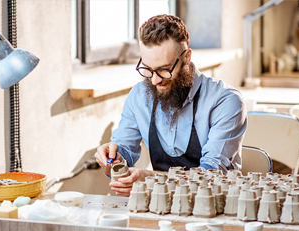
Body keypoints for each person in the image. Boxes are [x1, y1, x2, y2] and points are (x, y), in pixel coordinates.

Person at [95, 14, 247, 196]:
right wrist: (112, 160)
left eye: (164, 70)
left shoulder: (224, 101)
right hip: (160, 206)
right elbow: (123, 153)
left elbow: (212, 175)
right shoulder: (139, 96)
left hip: (215, 206)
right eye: (148, 69)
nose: (154, 80)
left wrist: (151, 179)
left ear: (187, 57)